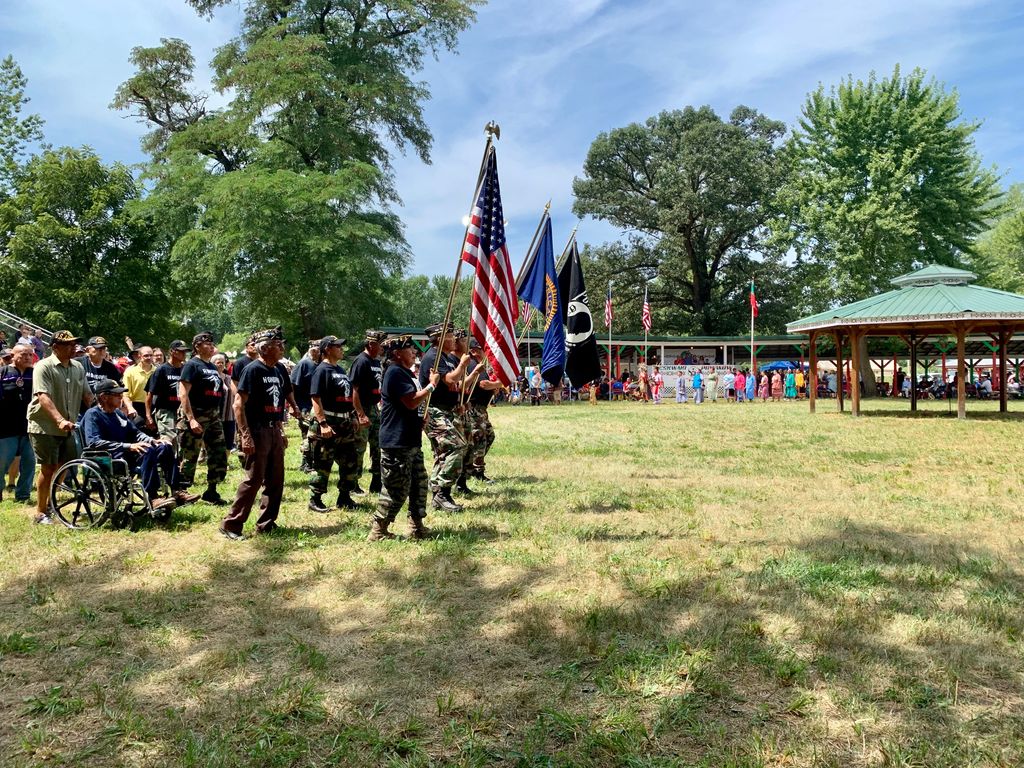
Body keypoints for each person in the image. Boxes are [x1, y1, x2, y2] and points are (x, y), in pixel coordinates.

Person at [221, 327, 299, 540]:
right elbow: (238, 405)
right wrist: (245, 435)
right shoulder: (253, 369)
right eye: (278, 344)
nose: (282, 347)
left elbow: (280, 399)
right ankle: (231, 524)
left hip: (273, 428)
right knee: (253, 479)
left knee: (276, 479)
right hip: (256, 430)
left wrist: (281, 429)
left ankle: (267, 523)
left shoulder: (278, 370)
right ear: (265, 349)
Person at [371, 335, 440, 541]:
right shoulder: (394, 372)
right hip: (396, 441)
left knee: (419, 484)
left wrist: (423, 414)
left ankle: (416, 525)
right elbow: (410, 401)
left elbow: (414, 404)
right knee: (396, 488)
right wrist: (431, 385)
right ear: (397, 353)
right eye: (409, 349)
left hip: (410, 439)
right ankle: (378, 529)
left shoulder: (406, 373)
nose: (414, 352)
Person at [81, 378, 178, 514]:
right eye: (117, 395)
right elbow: (93, 442)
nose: (121, 397)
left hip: (127, 453)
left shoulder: (118, 414)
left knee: (165, 447)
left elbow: (135, 433)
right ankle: (152, 496)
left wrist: (152, 440)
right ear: (103, 397)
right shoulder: (92, 415)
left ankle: (177, 491)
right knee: (147, 450)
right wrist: (128, 446)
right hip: (109, 457)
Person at [27, 330, 94, 524]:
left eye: (74, 344)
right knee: (48, 468)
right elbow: (43, 396)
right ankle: (40, 513)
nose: (73, 348)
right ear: (55, 347)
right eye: (68, 345)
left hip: (69, 425)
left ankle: (51, 504)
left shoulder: (77, 367)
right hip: (45, 425)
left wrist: (101, 412)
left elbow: (87, 395)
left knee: (65, 465)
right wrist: (59, 420)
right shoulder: (43, 366)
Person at [419, 321, 471, 513]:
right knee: (456, 446)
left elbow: (453, 386)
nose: (453, 340)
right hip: (434, 410)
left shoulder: (446, 358)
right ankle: (442, 492)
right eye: (449, 337)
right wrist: (463, 365)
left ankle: (440, 495)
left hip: (448, 409)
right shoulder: (432, 357)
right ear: (439, 339)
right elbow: (449, 379)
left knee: (444, 453)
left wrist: (458, 402)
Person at [306, 335, 360, 513]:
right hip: (329, 421)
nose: (341, 349)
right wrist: (322, 423)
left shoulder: (340, 370)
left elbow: (347, 397)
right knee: (323, 462)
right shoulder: (322, 370)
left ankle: (344, 497)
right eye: (338, 347)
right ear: (328, 349)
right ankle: (315, 499)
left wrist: (353, 416)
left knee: (350, 461)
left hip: (344, 422)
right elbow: (315, 398)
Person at [178, 331, 229, 504]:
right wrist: (191, 419)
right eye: (206, 343)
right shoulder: (192, 365)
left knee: (218, 452)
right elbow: (183, 393)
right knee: (190, 454)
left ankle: (212, 490)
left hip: (213, 415)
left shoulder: (212, 367)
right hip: (196, 413)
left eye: (211, 343)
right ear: (197, 346)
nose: (210, 346)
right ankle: (182, 491)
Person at [350, 330, 386, 494]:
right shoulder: (361, 361)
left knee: (378, 446)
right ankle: (353, 483)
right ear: (371, 344)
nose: (382, 348)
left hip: (374, 409)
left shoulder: (376, 361)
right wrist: (360, 414)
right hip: (362, 408)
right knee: (359, 448)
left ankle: (376, 482)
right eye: (380, 344)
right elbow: (354, 390)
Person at [462, 339, 502, 484]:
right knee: (479, 440)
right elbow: (483, 384)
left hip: (481, 409)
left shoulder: (480, 365)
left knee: (488, 436)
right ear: (474, 350)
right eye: (483, 349)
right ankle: (477, 471)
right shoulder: (473, 364)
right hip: (474, 409)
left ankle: (472, 466)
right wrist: (500, 383)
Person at [0, 344, 35, 504]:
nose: (28, 357)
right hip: (6, 427)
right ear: (13, 356)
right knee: (2, 462)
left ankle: (23, 495)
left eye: (30, 354)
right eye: (23, 354)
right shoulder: (4, 372)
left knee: (29, 462)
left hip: (29, 426)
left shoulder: (34, 374)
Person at [289, 339, 321, 473]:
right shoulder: (303, 364)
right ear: (313, 350)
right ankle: (307, 464)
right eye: (318, 349)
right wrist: (292, 406)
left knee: (312, 436)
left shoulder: (319, 364)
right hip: (305, 406)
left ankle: (307, 463)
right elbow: (292, 385)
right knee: (309, 436)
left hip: (315, 406)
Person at [122, 345, 156, 428]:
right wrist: (130, 408)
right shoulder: (130, 371)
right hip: (137, 408)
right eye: (146, 356)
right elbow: (125, 393)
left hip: (154, 407)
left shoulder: (157, 371)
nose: (149, 358)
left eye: (151, 355)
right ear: (139, 356)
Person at [212, 353, 236, 458]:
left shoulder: (229, 378)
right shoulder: (211, 378)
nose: (221, 365)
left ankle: (225, 460)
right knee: (215, 441)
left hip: (229, 415)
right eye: (218, 363)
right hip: (215, 416)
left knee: (229, 440)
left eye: (222, 362)